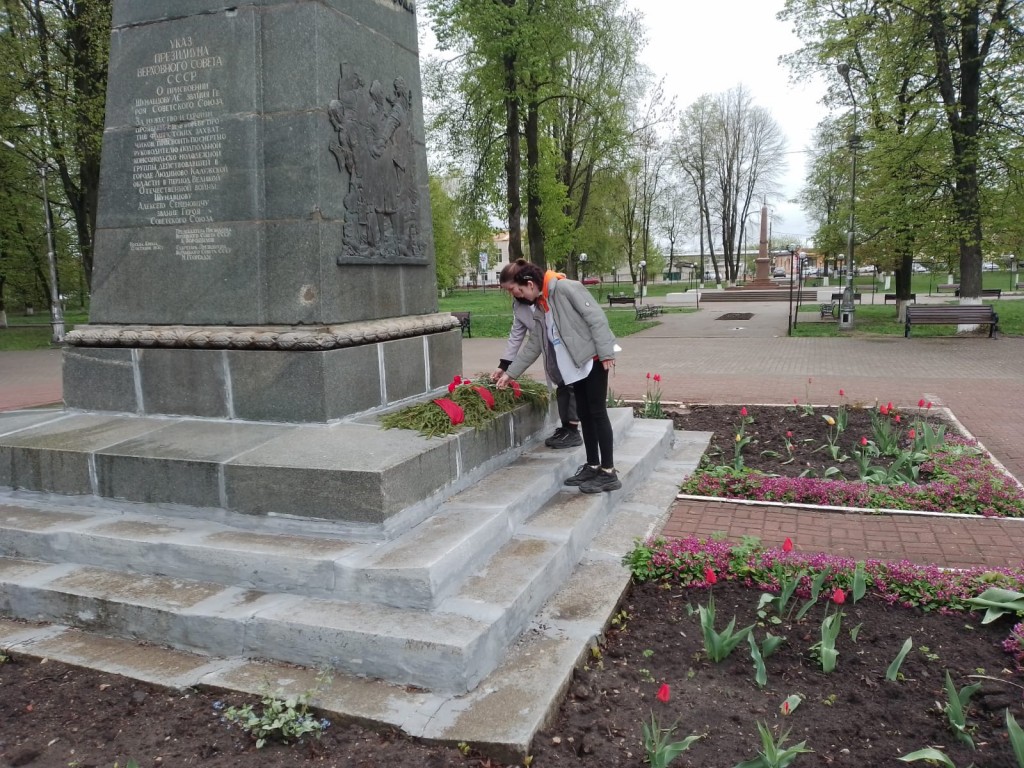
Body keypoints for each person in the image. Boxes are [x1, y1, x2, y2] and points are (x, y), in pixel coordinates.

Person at [495, 262, 620, 493]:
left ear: (530, 284)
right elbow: (534, 345)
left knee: (597, 413)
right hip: (575, 365)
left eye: (519, 290)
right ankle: (593, 465)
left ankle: (608, 472)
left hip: (593, 359)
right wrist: (510, 373)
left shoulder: (565, 288)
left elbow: (596, 318)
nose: (519, 296)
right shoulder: (541, 306)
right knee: (584, 414)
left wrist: (606, 353)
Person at [491, 260, 581, 449]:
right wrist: (504, 366)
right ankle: (566, 427)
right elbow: (517, 335)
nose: (512, 294)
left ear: (524, 282)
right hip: (547, 347)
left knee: (571, 385)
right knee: (562, 384)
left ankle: (573, 429)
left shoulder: (548, 296)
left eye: (512, 289)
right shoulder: (520, 305)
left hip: (566, 345)